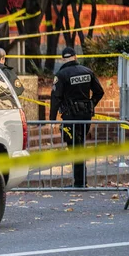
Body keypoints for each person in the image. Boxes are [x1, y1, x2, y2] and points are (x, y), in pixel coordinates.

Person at [50, 47, 105, 188]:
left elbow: (56, 98)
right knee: (79, 146)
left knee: (75, 148)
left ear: (63, 58)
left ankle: (80, 182)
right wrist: (91, 104)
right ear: (75, 56)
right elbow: (99, 92)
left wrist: (51, 119)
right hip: (85, 116)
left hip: (70, 117)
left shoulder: (61, 75)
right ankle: (80, 181)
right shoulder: (87, 71)